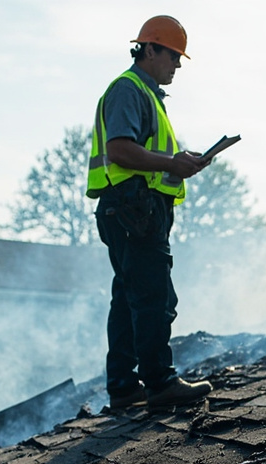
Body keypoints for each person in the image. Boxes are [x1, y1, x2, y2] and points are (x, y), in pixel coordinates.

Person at [87, 15, 213, 409]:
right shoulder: (129, 89)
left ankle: (124, 388)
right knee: (154, 297)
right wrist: (172, 163)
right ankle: (160, 383)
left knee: (129, 298)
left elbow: (139, 153)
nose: (177, 65)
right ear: (150, 50)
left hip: (129, 210)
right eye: (174, 56)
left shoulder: (143, 93)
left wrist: (178, 162)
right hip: (132, 209)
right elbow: (120, 150)